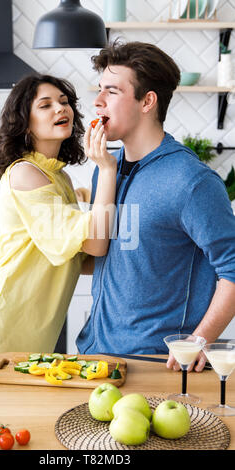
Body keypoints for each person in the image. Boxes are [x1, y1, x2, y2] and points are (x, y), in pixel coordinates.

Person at [76, 41, 235, 372]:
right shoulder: (106, 168)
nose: (97, 101)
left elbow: (232, 267)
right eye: (99, 89)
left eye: (112, 91)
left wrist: (199, 339)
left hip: (155, 364)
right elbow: (106, 253)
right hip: (95, 356)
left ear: (147, 101)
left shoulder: (191, 182)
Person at [0, 73, 117, 354]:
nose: (60, 109)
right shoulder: (26, 174)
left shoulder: (57, 176)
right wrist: (108, 168)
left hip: (28, 327)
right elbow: (96, 245)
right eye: (45, 105)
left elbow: (78, 257)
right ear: (24, 122)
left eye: (64, 102)